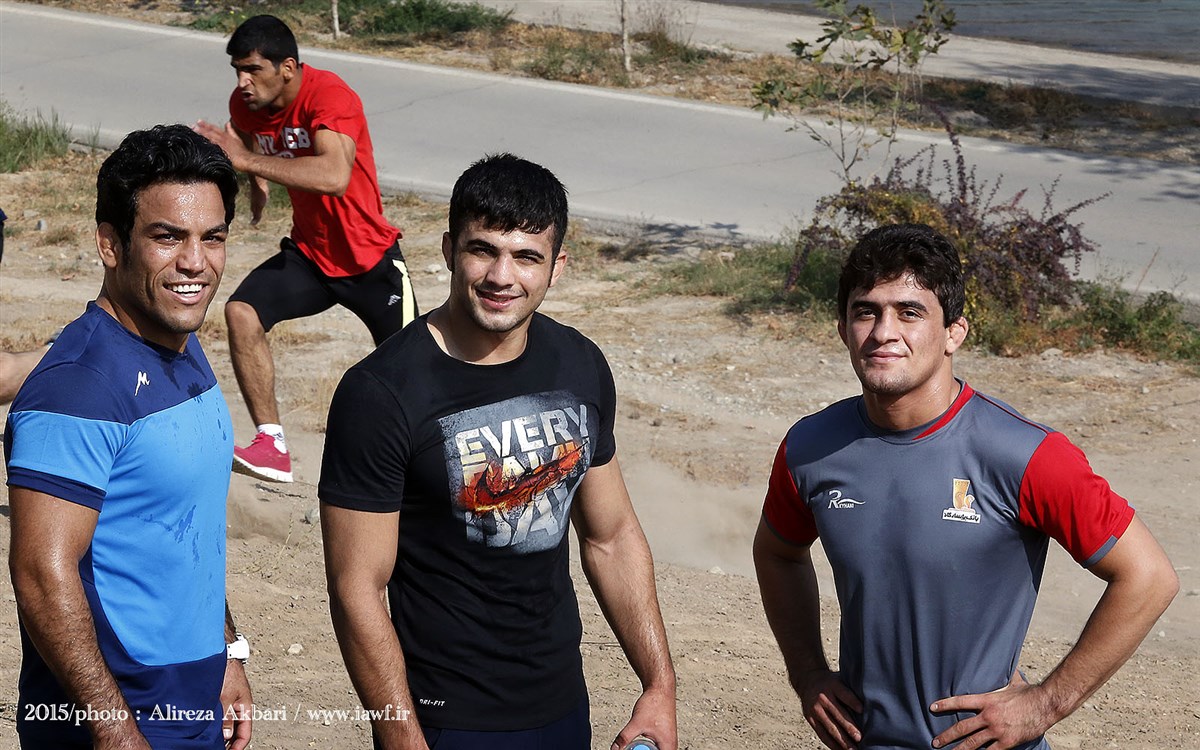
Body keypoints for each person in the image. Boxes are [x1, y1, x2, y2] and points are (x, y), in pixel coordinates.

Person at [753, 223, 1179, 750]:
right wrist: (808, 674)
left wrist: (1046, 703)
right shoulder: (810, 447)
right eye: (866, 311)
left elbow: (1148, 577)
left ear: (954, 332)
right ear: (843, 329)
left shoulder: (1026, 454)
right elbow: (777, 554)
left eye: (910, 312)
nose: (884, 332)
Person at [318, 153, 677, 750]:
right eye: (482, 250)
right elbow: (357, 588)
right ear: (448, 249)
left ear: (557, 267)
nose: (501, 276)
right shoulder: (380, 392)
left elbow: (611, 537)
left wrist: (659, 685)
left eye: (527, 256)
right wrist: (401, 736)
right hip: (443, 718)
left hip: (562, 705)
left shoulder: (579, 363)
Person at [5, 124, 253, 749]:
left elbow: (184, 528)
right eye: (167, 237)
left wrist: (226, 650)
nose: (195, 263)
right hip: (122, 710)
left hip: (192, 692)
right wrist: (115, 730)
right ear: (110, 244)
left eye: (212, 237)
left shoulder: (180, 343)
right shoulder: (79, 386)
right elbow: (40, 574)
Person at [195, 14, 417, 484]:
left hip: (369, 258)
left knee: (416, 372)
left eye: (253, 70)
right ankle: (272, 445)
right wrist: (256, 182)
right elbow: (247, 137)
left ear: (288, 68)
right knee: (242, 313)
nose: (242, 81)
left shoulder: (329, 96)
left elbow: (334, 176)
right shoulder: (246, 104)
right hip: (311, 255)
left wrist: (247, 161)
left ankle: (423, 467)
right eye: (237, 70)